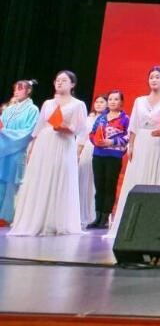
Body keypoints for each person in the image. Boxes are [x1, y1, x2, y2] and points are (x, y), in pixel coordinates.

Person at [9, 71, 88, 236]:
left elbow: (80, 129)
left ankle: (55, 221)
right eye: (57, 80)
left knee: (58, 178)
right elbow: (39, 128)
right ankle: (37, 218)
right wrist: (31, 149)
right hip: (44, 144)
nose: (59, 83)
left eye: (64, 80)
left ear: (72, 84)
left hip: (63, 143)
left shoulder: (78, 104)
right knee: (41, 178)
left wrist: (65, 128)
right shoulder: (48, 103)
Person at [106, 66, 160, 238]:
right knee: (135, 179)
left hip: (158, 143)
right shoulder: (139, 101)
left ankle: (151, 223)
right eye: (151, 77)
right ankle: (130, 221)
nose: (154, 80)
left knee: (154, 179)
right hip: (141, 142)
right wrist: (131, 145)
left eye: (157, 77)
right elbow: (134, 125)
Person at [87, 90, 129, 229]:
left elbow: (128, 137)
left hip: (114, 156)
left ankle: (105, 218)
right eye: (110, 99)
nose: (112, 102)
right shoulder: (101, 118)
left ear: (121, 102)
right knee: (99, 186)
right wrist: (96, 141)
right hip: (98, 154)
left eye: (116, 99)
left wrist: (112, 142)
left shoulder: (125, 118)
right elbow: (92, 133)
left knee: (109, 186)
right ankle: (97, 217)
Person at [0, 80, 39, 225]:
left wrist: (5, 133)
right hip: (3, 150)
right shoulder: (9, 109)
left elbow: (28, 132)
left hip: (17, 151)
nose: (16, 91)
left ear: (28, 91)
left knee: (11, 184)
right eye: (15, 89)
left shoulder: (33, 110)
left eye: (20, 89)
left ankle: (6, 216)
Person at [78, 95, 106, 228]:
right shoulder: (88, 119)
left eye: (102, 102)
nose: (98, 104)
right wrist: (77, 153)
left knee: (96, 182)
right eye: (97, 102)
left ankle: (94, 214)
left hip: (100, 150)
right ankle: (79, 213)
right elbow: (81, 137)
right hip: (86, 150)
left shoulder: (108, 119)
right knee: (83, 181)